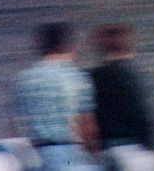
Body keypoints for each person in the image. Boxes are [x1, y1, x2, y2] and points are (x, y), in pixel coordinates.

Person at [13, 22, 100, 171]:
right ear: (69, 46)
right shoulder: (76, 77)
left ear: (41, 47)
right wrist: (95, 155)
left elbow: (16, 126)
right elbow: (87, 126)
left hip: (36, 157)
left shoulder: (24, 78)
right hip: (69, 156)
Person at [89, 23, 154, 171]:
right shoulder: (135, 75)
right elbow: (143, 111)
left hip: (107, 151)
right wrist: (153, 142)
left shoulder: (93, 76)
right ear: (130, 45)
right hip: (135, 151)